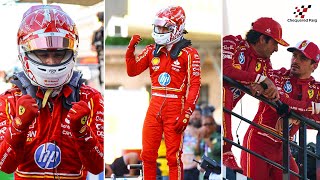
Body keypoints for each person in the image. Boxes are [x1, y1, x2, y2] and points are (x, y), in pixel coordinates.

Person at [0, 5, 104, 179]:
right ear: (25, 53)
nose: (50, 62)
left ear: (72, 52)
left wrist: (82, 132)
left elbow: (97, 166)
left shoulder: (90, 98)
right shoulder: (10, 100)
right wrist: (19, 125)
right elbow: (5, 166)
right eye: (42, 54)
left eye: (59, 54)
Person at [125, 5, 201, 179]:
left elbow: (195, 85)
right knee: (147, 156)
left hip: (175, 107)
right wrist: (130, 51)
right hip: (155, 105)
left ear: (178, 28)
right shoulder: (152, 50)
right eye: (158, 27)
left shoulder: (189, 54)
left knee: (173, 158)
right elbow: (132, 71)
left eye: (165, 28)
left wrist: (186, 113)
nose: (160, 31)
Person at [240, 40, 320, 180]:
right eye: (294, 55)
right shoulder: (278, 76)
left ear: (314, 65)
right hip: (259, 141)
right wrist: (311, 109)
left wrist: (297, 119)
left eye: (302, 58)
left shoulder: (317, 88)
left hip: (283, 148)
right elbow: (280, 101)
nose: (295, 60)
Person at [222, 17, 289, 172]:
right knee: (225, 93)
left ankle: (227, 152)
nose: (276, 49)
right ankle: (226, 152)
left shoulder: (265, 63)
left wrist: (268, 92)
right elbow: (225, 70)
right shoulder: (232, 42)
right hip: (219, 104)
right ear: (262, 39)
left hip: (226, 112)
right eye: (275, 43)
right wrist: (259, 79)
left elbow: (272, 90)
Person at [182, 105, 202, 180]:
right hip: (184, 168)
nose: (194, 117)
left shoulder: (204, 130)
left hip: (198, 169)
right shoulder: (183, 129)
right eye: (192, 114)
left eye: (197, 114)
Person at [91, 11, 104, 87]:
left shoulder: (96, 32)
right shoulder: (97, 32)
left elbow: (93, 47)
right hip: (101, 59)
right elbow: (93, 47)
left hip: (100, 59)